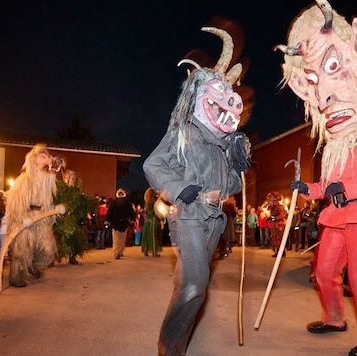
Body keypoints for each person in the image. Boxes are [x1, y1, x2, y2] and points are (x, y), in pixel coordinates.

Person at [279, 2, 357, 355]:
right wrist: (307, 190)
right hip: (336, 217)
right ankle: (334, 318)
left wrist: (346, 189)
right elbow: (327, 187)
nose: (325, 97)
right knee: (322, 273)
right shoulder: (334, 148)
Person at [142, 25, 249, 356]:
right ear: (200, 93)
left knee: (190, 283)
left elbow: (231, 185)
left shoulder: (222, 144)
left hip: (215, 219)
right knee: (194, 286)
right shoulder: (184, 131)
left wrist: (238, 166)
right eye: (217, 86)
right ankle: (168, 349)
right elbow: (153, 165)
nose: (226, 93)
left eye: (227, 87)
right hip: (189, 214)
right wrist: (179, 189)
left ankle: (179, 342)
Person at [5, 144, 64, 288]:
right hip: (24, 217)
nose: (46, 159)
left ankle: (33, 268)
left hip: (40, 217)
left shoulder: (46, 180)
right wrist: (22, 217)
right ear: (33, 159)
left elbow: (45, 202)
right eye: (42, 156)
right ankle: (16, 277)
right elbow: (14, 202)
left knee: (48, 248)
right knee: (22, 249)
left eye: (46, 156)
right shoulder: (24, 180)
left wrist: (54, 209)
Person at [107, 188, 134, 260]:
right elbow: (131, 212)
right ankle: (120, 251)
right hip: (124, 222)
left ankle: (116, 253)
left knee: (116, 239)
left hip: (115, 223)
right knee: (122, 238)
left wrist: (108, 220)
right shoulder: (127, 202)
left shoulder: (113, 202)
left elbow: (109, 212)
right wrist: (132, 219)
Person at [140, 187, 162, 258]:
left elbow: (146, 212)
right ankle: (154, 252)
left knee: (147, 236)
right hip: (154, 220)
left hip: (149, 221)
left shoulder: (147, 202)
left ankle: (146, 251)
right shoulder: (156, 201)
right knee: (154, 236)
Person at [267, 191, 287, 258]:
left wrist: (275, 218)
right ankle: (280, 251)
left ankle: (280, 252)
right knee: (275, 239)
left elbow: (283, 214)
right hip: (274, 225)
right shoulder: (272, 207)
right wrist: (269, 218)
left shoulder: (279, 207)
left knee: (278, 239)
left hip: (279, 225)